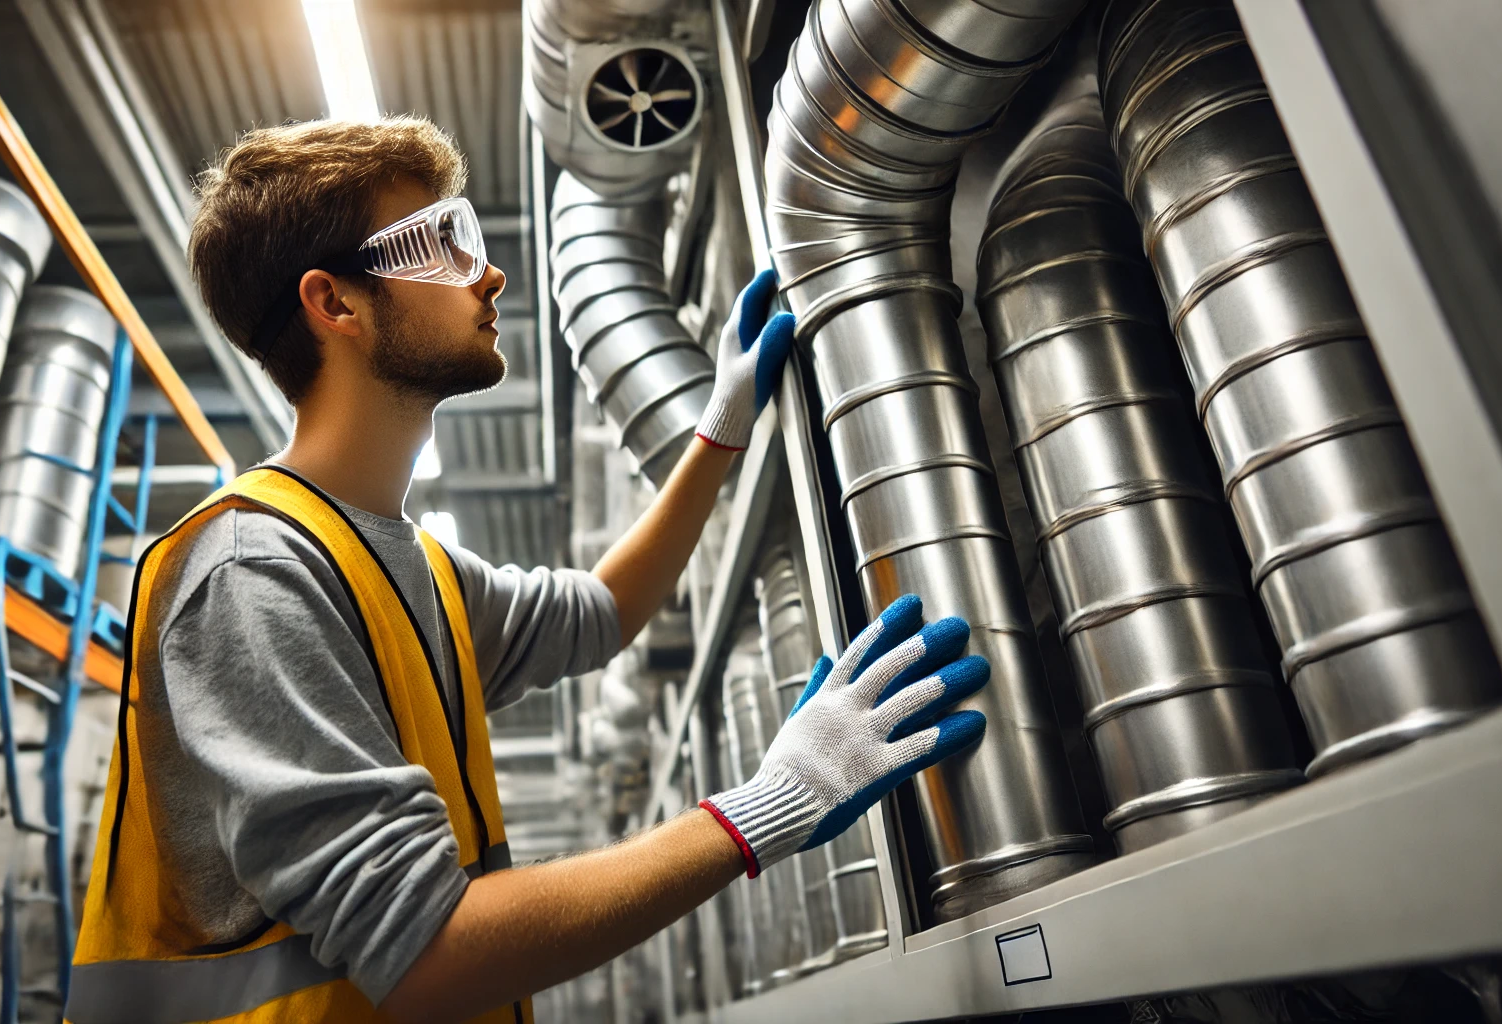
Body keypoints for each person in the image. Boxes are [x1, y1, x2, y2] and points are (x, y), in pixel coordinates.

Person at [64, 118, 992, 1024]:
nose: (488, 272)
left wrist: (720, 426)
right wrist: (773, 803)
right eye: (439, 241)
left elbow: (604, 611)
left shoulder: (408, 567)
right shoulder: (253, 573)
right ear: (335, 304)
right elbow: (426, 955)